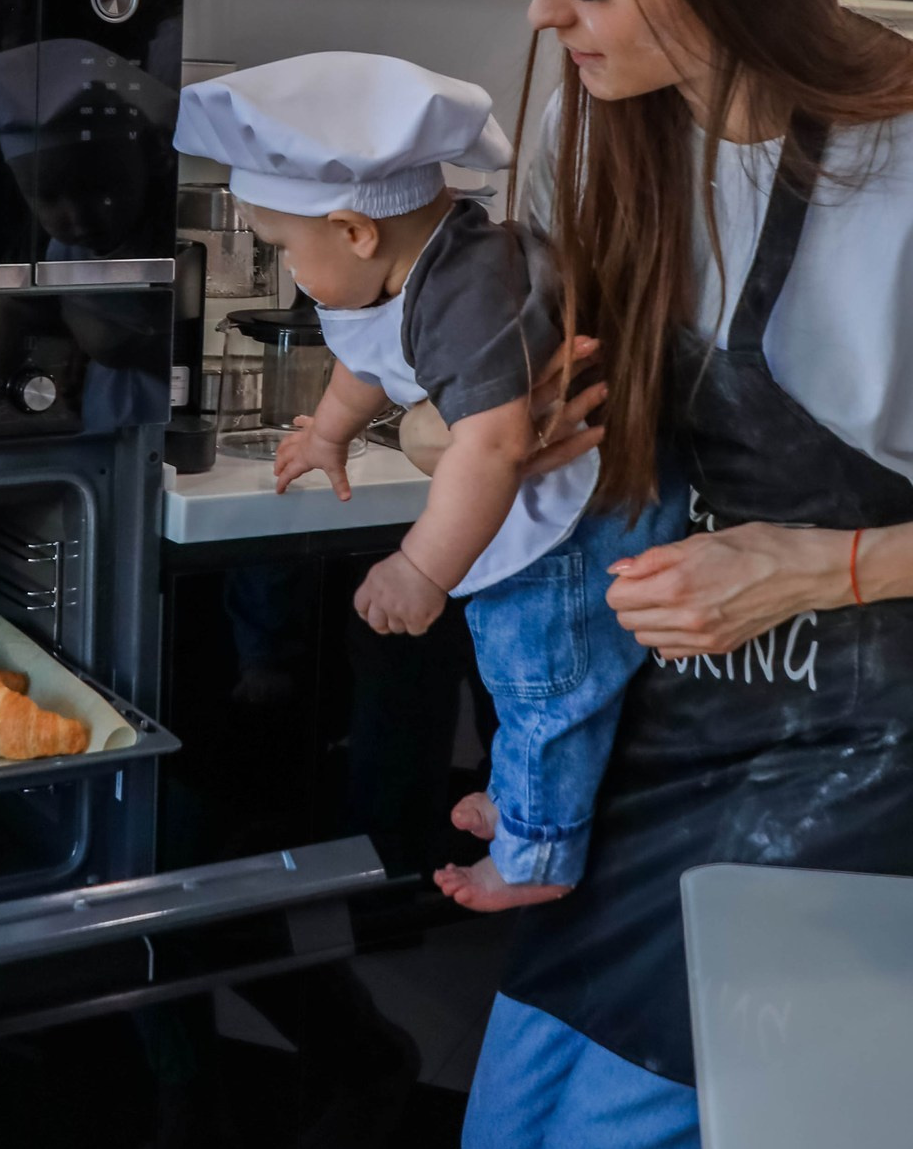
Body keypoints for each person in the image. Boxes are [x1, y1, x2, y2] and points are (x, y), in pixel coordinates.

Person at [415, 0, 913, 1149]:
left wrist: (819, 562)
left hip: (880, 767)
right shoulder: (630, 128)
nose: (548, 17)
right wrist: (546, 783)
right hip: (691, 742)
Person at [174, 53, 688, 910]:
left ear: (354, 230)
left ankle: (538, 851)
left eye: (285, 251)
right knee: (514, 668)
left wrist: (420, 568)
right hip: (547, 508)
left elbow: (491, 447)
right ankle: (527, 790)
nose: (292, 276)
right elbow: (369, 355)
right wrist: (329, 431)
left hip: (583, 518)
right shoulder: (417, 271)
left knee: (545, 675)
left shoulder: (471, 288)